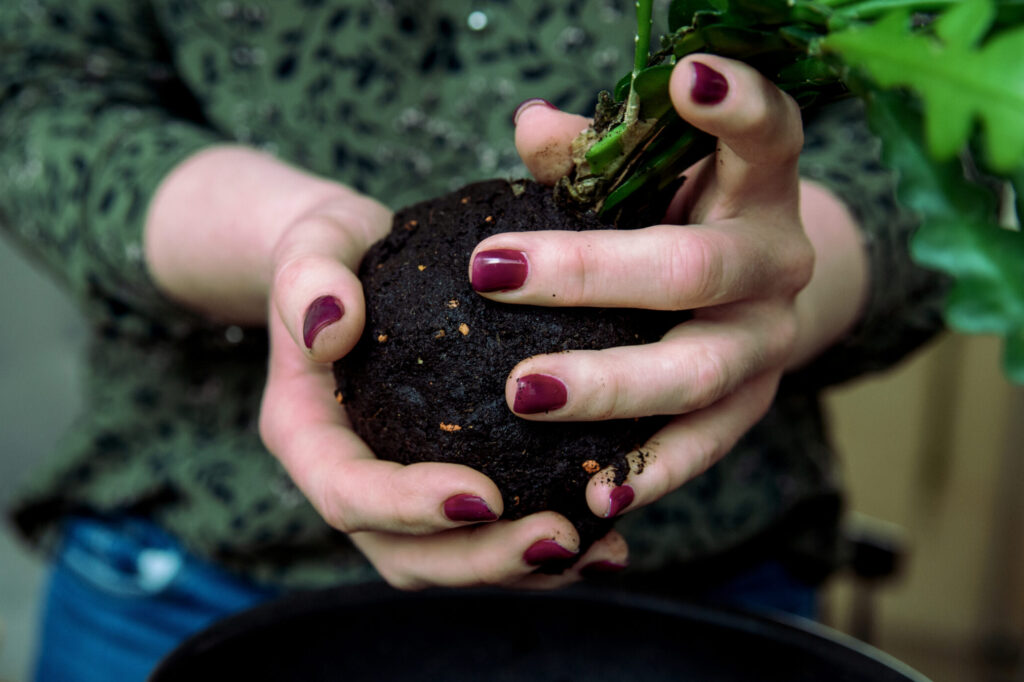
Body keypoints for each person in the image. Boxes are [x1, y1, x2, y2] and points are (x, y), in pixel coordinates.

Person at [0, 1, 947, 680]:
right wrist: (291, 245)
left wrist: (761, 276)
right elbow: (39, 89)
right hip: (184, 578)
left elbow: (942, 130)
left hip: (698, 607)